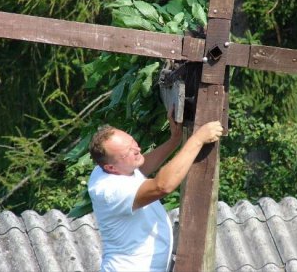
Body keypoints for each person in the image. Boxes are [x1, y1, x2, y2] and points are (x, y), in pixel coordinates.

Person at [88, 110, 223, 272]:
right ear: (111, 168)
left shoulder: (109, 169)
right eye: (127, 152)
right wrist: (197, 140)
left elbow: (139, 167)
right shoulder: (110, 192)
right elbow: (162, 186)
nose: (137, 149)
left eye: (132, 142)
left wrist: (174, 141)